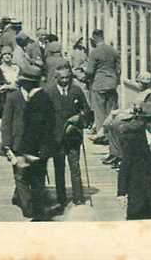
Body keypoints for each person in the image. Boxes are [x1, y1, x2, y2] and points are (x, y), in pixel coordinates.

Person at [14, 65, 60, 221]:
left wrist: (25, 151)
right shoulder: (43, 97)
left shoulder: (37, 101)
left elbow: (34, 129)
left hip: (37, 149)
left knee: (36, 182)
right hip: (42, 148)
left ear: (27, 83)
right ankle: (40, 212)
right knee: (37, 180)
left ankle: (39, 214)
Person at [45, 62, 90, 206]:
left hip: (73, 136)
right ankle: (61, 198)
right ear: (56, 78)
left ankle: (78, 197)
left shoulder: (76, 91)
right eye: (62, 78)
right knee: (59, 168)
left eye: (68, 78)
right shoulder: (49, 92)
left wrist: (80, 117)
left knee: (75, 167)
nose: (65, 81)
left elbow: (87, 111)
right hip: (56, 137)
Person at [0, 66, 32, 217]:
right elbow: (6, 122)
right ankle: (26, 206)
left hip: (34, 141)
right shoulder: (13, 97)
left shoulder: (39, 96)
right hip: (17, 141)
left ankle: (18, 195)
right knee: (20, 173)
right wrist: (6, 144)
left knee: (30, 171)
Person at [84, 29, 120, 144]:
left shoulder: (95, 52)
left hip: (99, 83)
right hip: (112, 83)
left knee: (99, 112)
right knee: (111, 111)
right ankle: (111, 136)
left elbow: (89, 71)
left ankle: (101, 136)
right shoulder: (113, 51)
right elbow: (118, 69)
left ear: (94, 38)